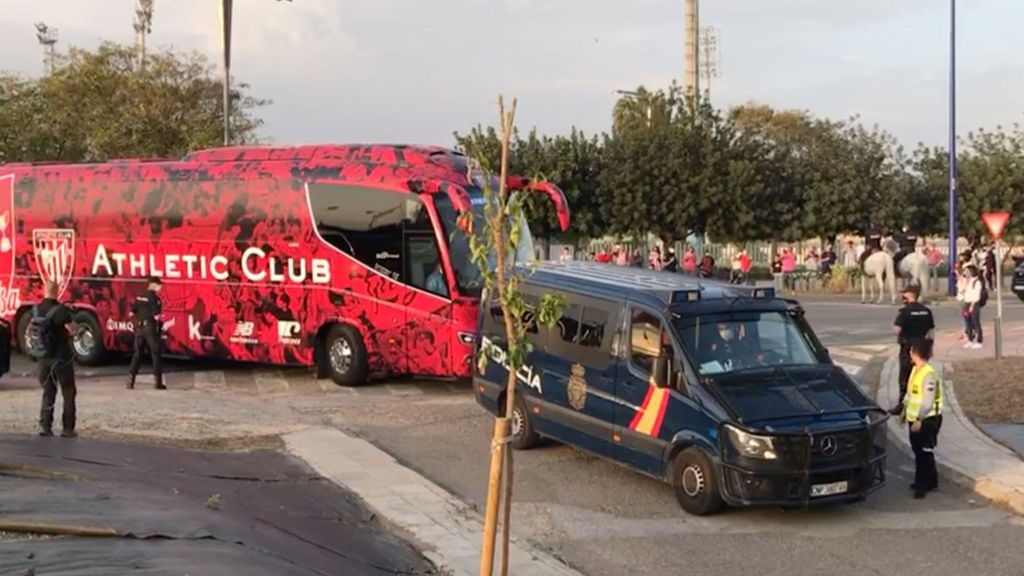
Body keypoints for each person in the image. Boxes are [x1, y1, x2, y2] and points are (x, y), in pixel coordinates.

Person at [35, 281, 77, 438]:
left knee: (48, 391)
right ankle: (68, 429)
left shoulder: (36, 309)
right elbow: (73, 330)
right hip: (61, 358)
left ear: (44, 291)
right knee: (68, 392)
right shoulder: (61, 310)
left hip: (43, 358)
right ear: (57, 291)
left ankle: (45, 426)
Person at [903, 338, 943, 499]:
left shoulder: (928, 374)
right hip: (915, 419)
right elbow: (911, 394)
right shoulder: (916, 370)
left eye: (911, 351)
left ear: (916, 353)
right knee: (921, 451)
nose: (909, 354)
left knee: (923, 453)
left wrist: (919, 419)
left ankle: (922, 486)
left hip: (927, 420)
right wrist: (903, 412)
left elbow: (927, 401)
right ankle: (931, 480)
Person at [890, 284, 935, 415]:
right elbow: (931, 331)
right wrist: (931, 347)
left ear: (909, 294)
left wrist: (896, 329)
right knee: (921, 376)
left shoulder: (904, 312)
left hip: (908, 348)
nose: (902, 295)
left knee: (905, 378)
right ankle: (922, 402)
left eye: (904, 293)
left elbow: (896, 329)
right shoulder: (926, 311)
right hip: (922, 347)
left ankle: (902, 406)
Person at [128, 276, 167, 390]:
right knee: (155, 354)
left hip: (140, 328)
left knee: (137, 354)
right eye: (159, 285)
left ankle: (131, 381)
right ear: (153, 284)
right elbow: (156, 316)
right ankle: (158, 382)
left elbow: (131, 313)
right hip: (150, 328)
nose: (160, 287)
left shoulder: (140, 296)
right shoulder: (154, 298)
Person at [957, 265, 984, 349]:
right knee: (967, 322)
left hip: (974, 304)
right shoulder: (967, 282)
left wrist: (972, 305)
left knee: (975, 322)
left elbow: (977, 295)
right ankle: (970, 340)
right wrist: (962, 281)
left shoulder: (977, 282)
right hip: (966, 303)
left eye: (967, 271)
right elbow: (961, 291)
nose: (965, 273)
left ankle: (979, 341)